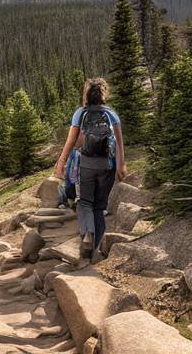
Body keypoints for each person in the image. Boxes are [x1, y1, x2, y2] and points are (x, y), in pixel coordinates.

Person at [52, 78, 126, 257]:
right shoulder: (111, 114)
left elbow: (71, 141)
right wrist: (120, 165)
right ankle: (93, 252)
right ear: (104, 94)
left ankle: (88, 234)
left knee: (84, 202)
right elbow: (119, 143)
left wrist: (61, 162)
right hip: (107, 166)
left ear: (86, 94)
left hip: (87, 165)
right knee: (99, 207)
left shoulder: (81, 113)